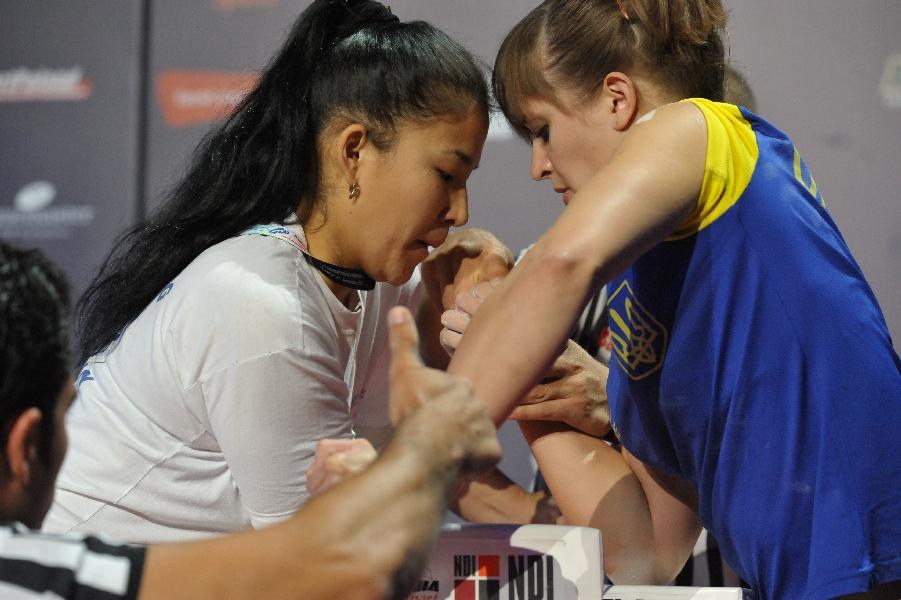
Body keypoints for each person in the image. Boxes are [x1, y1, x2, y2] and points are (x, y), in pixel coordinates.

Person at [422, 1, 901, 599]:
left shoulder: (699, 128)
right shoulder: (641, 288)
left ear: (618, 98)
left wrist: (414, 470)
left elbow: (560, 264)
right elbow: (647, 551)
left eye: (542, 130)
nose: (538, 167)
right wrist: (528, 385)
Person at [43, 0, 544, 543]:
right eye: (446, 175)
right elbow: (325, 563)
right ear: (353, 150)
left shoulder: (363, 279)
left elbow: (433, 473)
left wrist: (482, 251)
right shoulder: (265, 309)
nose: (459, 211)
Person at [0, 240, 502, 599]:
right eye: (71, 413)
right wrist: (430, 447)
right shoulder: (43, 572)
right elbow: (340, 573)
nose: (455, 211)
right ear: (26, 446)